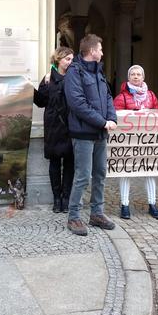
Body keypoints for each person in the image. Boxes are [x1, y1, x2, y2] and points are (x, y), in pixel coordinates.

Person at [64, 34, 117, 236]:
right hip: (84, 133)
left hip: (101, 133)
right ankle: (74, 217)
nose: (102, 52)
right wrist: (103, 122)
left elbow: (108, 96)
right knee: (83, 176)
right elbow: (77, 104)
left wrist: (112, 118)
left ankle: (97, 213)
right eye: (101, 49)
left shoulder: (98, 72)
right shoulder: (74, 72)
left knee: (100, 173)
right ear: (92, 51)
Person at [113, 65, 158, 220]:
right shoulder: (122, 97)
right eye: (132, 74)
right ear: (129, 78)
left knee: (149, 171)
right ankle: (125, 204)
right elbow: (115, 115)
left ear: (143, 77)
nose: (135, 76)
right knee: (125, 172)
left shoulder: (151, 95)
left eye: (138, 74)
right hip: (128, 142)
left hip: (146, 140)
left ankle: (152, 204)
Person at [33, 46, 75, 213]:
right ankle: (56, 199)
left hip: (71, 126)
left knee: (70, 164)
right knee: (55, 163)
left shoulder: (75, 77)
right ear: (58, 60)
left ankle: (66, 198)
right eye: (68, 59)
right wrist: (30, 90)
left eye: (72, 59)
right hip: (53, 126)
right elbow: (41, 101)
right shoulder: (48, 78)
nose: (70, 62)